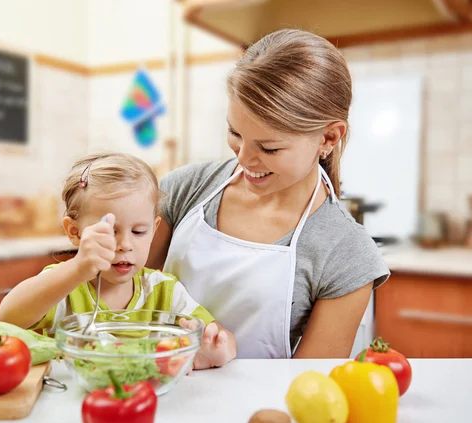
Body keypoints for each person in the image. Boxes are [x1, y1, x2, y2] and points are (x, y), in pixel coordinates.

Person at [147, 29, 390, 359]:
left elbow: (308, 388)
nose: (244, 158)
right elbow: (122, 302)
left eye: (269, 147)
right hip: (157, 398)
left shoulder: (346, 254)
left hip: (261, 410)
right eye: (235, 133)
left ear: (329, 138)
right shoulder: (184, 190)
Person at [0, 153, 237, 369]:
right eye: (110, 231)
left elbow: (223, 337)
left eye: (139, 231)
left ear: (154, 230)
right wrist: (78, 268)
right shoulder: (64, 285)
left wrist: (216, 349)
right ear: (74, 232)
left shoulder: (164, 290)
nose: (124, 244)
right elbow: (8, 317)